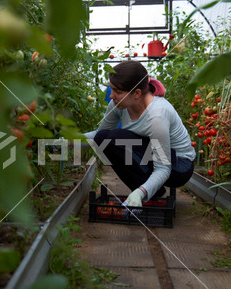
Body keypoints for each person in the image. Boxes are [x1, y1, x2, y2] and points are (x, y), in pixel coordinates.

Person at [84, 60, 195, 207]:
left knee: (115, 138)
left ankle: (142, 194)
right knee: (104, 137)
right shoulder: (118, 105)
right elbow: (100, 135)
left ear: (136, 93)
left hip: (179, 166)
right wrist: (69, 140)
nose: (112, 96)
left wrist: (139, 192)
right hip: (153, 153)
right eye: (112, 90)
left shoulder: (157, 116)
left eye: (117, 91)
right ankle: (151, 193)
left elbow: (163, 167)